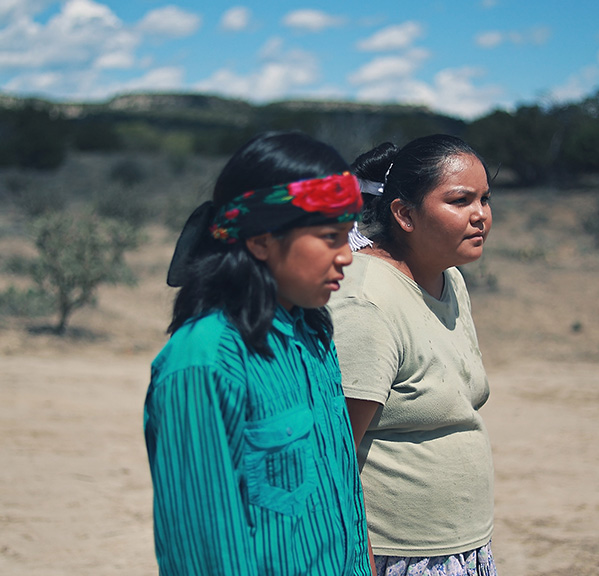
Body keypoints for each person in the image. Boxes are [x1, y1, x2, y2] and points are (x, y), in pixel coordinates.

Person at [144, 131, 373, 575]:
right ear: (260, 240)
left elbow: (342, 498)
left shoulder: (314, 334)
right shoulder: (203, 362)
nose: (347, 256)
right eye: (329, 236)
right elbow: (204, 553)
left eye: (348, 235)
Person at [328, 134, 498, 576]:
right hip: (394, 557)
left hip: (461, 548)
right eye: (460, 200)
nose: (480, 215)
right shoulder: (367, 301)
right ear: (404, 213)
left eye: (484, 199)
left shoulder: (450, 279)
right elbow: (332, 452)